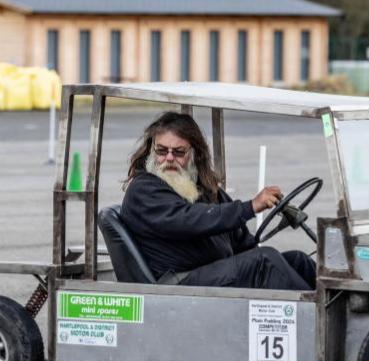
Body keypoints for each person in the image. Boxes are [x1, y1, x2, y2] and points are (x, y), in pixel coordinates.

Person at [120, 111, 317, 290]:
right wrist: (250, 207)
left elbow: (237, 235)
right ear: (152, 151)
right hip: (178, 283)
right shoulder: (144, 189)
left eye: (178, 152)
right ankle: (316, 322)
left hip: (208, 272)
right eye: (162, 151)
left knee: (298, 260)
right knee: (265, 260)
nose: (169, 158)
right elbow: (188, 219)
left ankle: (336, 310)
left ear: (195, 154)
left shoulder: (202, 188)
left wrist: (248, 245)